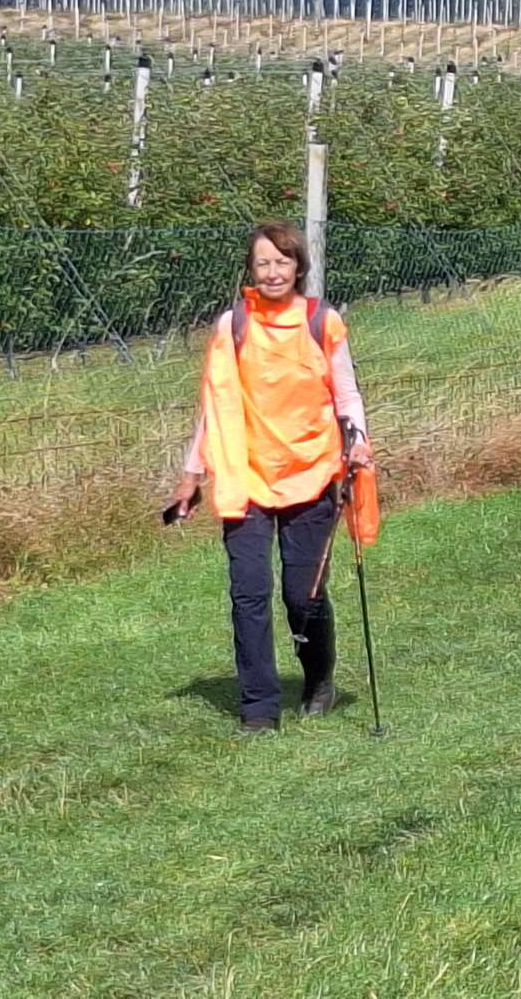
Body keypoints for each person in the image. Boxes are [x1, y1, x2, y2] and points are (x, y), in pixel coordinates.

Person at [164, 221, 375, 733]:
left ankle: (318, 676)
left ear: (298, 267)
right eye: (264, 263)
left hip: (312, 469)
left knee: (302, 595)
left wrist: (359, 440)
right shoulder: (230, 326)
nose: (273, 271)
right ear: (251, 270)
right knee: (249, 593)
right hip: (246, 475)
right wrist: (191, 476)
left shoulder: (322, 321)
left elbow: (345, 395)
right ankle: (259, 708)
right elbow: (214, 409)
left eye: (283, 261)